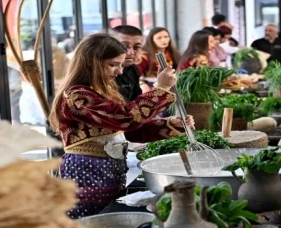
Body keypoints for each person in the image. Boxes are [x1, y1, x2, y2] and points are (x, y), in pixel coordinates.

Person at [48, 33, 195, 219]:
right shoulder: (77, 96)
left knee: (108, 217)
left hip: (109, 172)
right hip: (85, 174)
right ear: (91, 63)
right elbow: (125, 119)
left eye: (120, 64)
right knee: (91, 220)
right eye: (113, 65)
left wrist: (169, 124)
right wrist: (161, 89)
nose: (119, 71)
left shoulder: (103, 91)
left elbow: (129, 130)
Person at [136, 27, 180, 92]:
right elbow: (135, 76)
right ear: (152, 40)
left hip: (172, 84)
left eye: (166, 37)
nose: (163, 40)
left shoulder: (174, 53)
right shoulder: (144, 55)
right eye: (159, 38)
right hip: (151, 86)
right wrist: (142, 84)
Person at [110, 25, 144, 101]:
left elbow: (137, 101)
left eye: (136, 47)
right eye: (124, 46)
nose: (130, 52)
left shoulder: (133, 68)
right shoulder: (100, 72)